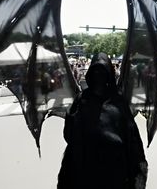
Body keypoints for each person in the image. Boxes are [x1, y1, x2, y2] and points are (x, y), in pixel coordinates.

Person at [57, 52, 148, 189]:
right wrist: (72, 117)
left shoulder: (118, 101)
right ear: (91, 74)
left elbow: (132, 138)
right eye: (96, 70)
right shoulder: (82, 100)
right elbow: (69, 136)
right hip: (87, 171)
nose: (98, 75)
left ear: (108, 74)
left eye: (102, 71)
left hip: (115, 171)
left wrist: (137, 174)